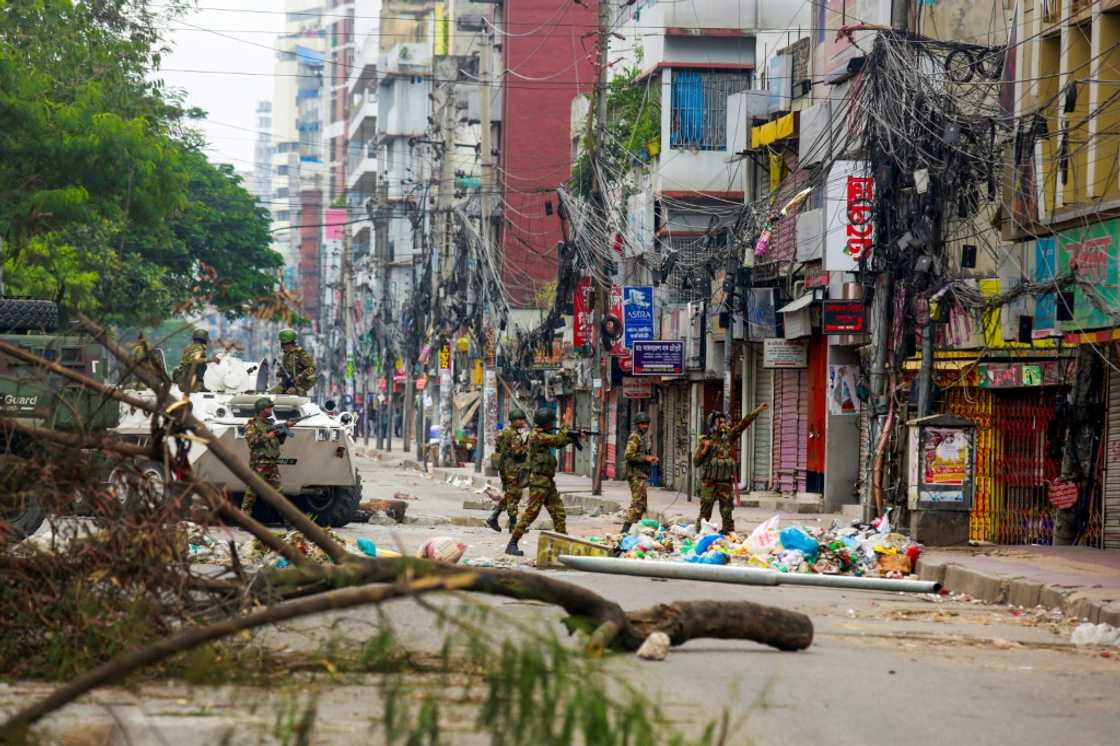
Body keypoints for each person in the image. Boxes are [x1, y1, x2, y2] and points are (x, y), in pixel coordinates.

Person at [505, 408, 580, 556]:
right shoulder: (537, 435)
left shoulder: (543, 434)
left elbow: (559, 442)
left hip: (547, 481)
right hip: (538, 482)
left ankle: (562, 546)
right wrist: (566, 424)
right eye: (550, 423)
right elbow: (557, 441)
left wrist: (574, 437)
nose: (552, 425)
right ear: (545, 423)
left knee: (559, 513)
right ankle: (512, 544)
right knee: (531, 514)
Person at [693, 403, 768, 534]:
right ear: (713, 424)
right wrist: (705, 449)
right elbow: (696, 462)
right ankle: (699, 534)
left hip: (725, 483)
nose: (723, 424)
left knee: (727, 512)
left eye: (723, 422)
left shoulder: (728, 437)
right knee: (705, 513)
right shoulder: (705, 441)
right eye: (720, 422)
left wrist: (757, 411)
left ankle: (728, 535)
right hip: (709, 483)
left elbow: (743, 424)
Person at [241, 397, 295, 517]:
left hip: (272, 464)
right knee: (252, 492)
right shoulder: (252, 424)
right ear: (261, 409)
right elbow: (252, 442)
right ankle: (244, 517)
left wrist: (285, 429)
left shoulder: (270, 424)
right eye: (268, 407)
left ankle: (288, 521)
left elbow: (279, 442)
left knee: (279, 493)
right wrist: (267, 436)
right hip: (259, 464)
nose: (271, 409)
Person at [487, 409, 528, 533]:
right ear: (514, 421)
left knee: (511, 494)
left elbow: (498, 447)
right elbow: (517, 451)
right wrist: (526, 447)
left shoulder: (504, 432)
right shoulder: (514, 434)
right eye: (520, 419)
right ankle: (513, 524)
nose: (522, 422)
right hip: (512, 466)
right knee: (514, 494)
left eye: (523, 419)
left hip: (504, 465)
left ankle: (494, 517)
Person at [621, 412, 658, 534]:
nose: (645, 426)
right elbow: (628, 455)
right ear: (637, 425)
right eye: (642, 424)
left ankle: (634, 530)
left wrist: (650, 458)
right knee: (637, 504)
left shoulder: (642, 437)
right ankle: (625, 531)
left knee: (642, 504)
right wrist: (645, 458)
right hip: (635, 475)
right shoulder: (635, 437)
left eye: (646, 424)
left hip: (641, 474)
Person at [271, 328, 317, 396]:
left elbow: (312, 368)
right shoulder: (286, 355)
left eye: (283, 344)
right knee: (271, 394)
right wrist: (281, 373)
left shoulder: (301, 354)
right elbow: (286, 371)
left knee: (289, 396)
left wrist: (300, 376)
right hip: (287, 383)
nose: (281, 346)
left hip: (299, 386)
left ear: (288, 343)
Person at [173, 328, 218, 393]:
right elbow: (195, 361)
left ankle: (199, 385)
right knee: (202, 364)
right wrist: (210, 359)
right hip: (190, 385)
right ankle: (200, 386)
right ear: (204, 339)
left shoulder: (189, 347)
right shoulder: (199, 348)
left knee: (201, 364)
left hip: (182, 383)